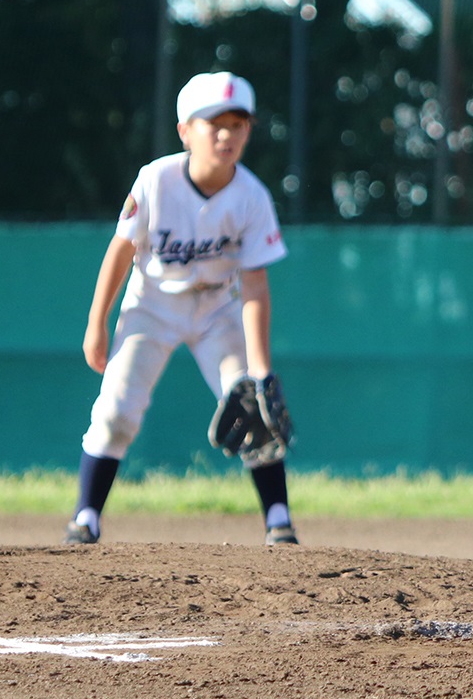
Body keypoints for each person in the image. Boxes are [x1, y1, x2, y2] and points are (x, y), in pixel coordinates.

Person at [64, 71, 299, 547]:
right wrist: (97, 323)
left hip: (217, 310)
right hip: (152, 303)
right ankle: (86, 516)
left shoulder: (252, 195)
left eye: (237, 123)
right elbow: (122, 251)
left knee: (252, 404)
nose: (226, 134)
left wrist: (260, 369)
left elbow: (255, 285)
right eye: (213, 122)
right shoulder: (156, 180)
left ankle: (279, 519)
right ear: (185, 130)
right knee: (117, 409)